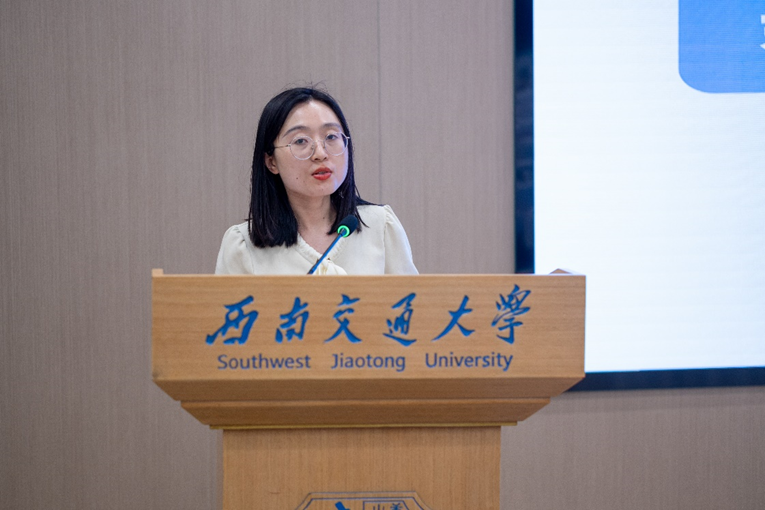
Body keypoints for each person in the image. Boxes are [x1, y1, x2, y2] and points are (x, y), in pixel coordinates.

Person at [215, 87, 418, 275]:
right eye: (300, 141)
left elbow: (411, 301)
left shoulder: (380, 226)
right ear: (271, 162)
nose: (320, 153)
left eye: (331, 137)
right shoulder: (243, 245)